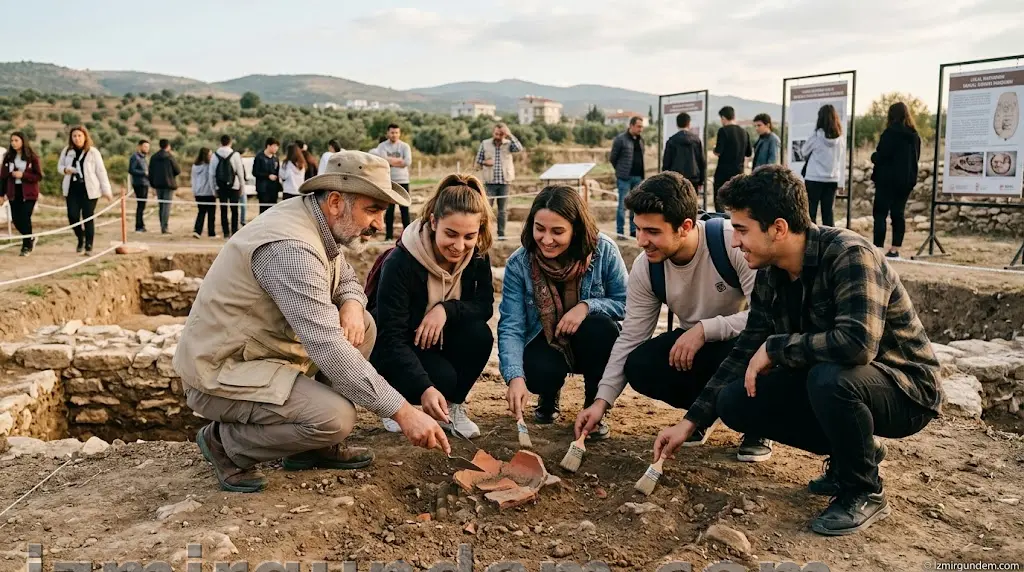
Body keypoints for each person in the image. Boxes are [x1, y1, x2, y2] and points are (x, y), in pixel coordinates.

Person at [652, 165, 941, 536]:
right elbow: (745, 349)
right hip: (843, 383)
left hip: (906, 390)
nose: (735, 242)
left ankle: (863, 489)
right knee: (735, 401)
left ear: (778, 228)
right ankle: (855, 452)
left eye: (742, 230)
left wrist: (776, 347)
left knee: (829, 377)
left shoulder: (850, 255)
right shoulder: (771, 271)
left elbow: (857, 345)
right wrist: (689, 423)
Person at [174, 150, 450, 493]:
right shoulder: (292, 248)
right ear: (335, 202)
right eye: (373, 210)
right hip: (221, 370)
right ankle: (225, 443)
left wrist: (351, 302)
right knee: (335, 418)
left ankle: (310, 447)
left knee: (362, 325)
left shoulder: (316, 220)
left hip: (263, 355)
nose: (379, 224)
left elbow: (344, 276)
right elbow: (329, 349)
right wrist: (403, 412)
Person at [574, 172, 768, 459]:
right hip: (693, 345)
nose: (641, 241)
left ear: (685, 226)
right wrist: (601, 403)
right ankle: (701, 414)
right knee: (639, 364)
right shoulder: (646, 267)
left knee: (755, 350)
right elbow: (630, 337)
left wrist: (705, 329)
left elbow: (766, 319)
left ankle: (756, 424)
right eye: (638, 229)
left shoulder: (733, 243)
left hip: (742, 342)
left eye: (653, 232)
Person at [370, 174, 496, 438]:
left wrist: (445, 310)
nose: (459, 246)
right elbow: (390, 336)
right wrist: (425, 388)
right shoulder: (400, 262)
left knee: (480, 335)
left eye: (469, 236)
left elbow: (484, 306)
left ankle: (452, 407)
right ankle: (395, 404)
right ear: (434, 222)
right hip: (396, 346)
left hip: (436, 341)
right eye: (451, 234)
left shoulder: (478, 255)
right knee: (441, 380)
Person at [499, 186, 628, 436]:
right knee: (537, 373)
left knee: (602, 329)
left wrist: (586, 306)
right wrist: (515, 377)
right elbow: (511, 326)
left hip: (589, 341)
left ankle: (593, 406)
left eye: (557, 232)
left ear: (576, 229)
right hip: (547, 341)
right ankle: (548, 394)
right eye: (540, 229)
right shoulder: (519, 263)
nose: (547, 240)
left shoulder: (604, 250)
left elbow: (625, 303)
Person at [871, 102, 921, 258]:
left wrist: (873, 157)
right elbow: (916, 158)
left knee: (880, 214)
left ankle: (878, 248)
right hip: (905, 181)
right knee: (898, 214)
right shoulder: (914, 136)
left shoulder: (889, 133)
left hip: (886, 180)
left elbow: (881, 156)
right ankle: (895, 249)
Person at [57, 126, 112, 255]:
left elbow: (101, 171)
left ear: (85, 137)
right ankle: (80, 237)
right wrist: (65, 170)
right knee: (72, 216)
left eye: (79, 136)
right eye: (74, 136)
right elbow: (59, 166)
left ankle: (89, 245)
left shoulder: (93, 152)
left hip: (90, 189)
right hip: (72, 188)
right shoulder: (67, 151)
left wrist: (106, 190)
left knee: (88, 216)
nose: (77, 138)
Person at [475, 123, 522, 240]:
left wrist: (509, 134)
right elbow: (477, 162)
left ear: (504, 134)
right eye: (496, 133)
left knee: (502, 211)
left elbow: (519, 148)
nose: (498, 136)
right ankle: (485, 235)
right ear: (493, 132)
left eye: (501, 134)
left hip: (504, 183)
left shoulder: (509, 144)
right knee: (486, 210)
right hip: (489, 183)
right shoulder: (485, 144)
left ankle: (501, 234)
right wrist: (485, 162)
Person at [801, 104, 846, 226]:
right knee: (828, 213)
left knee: (811, 212)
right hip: (832, 179)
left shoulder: (816, 136)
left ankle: (812, 236)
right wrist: (841, 182)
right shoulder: (840, 139)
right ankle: (829, 236)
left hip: (814, 178)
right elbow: (841, 160)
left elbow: (804, 151)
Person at [1, 132, 43, 256]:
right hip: (13, 192)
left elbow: (38, 176)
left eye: (16, 140)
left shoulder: (32, 157)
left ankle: (26, 246)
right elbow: (3, 177)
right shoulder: (8, 157)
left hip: (29, 193)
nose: (13, 143)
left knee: (25, 218)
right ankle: (31, 238)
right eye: (12, 140)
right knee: (16, 220)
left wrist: (23, 175)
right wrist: (1, 194)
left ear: (23, 141)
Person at [373, 124, 413, 240]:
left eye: (396, 132)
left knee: (404, 209)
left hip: (403, 180)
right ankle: (388, 236)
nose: (394, 135)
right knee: (389, 210)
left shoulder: (405, 146)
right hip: (388, 181)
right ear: (387, 133)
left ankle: (407, 237)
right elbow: (382, 161)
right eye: (392, 132)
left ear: (399, 133)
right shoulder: (382, 146)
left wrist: (390, 161)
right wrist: (399, 161)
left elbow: (407, 162)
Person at [609, 117, 646, 238]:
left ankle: (633, 231)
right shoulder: (620, 139)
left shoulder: (641, 140)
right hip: (624, 178)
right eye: (639, 126)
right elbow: (613, 158)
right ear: (631, 126)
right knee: (622, 206)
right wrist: (620, 171)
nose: (641, 129)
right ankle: (620, 232)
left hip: (638, 177)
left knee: (635, 206)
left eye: (642, 126)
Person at [712, 106, 752, 212]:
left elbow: (718, 151)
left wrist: (714, 149)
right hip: (738, 172)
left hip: (723, 172)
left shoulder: (723, 131)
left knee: (719, 199)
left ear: (723, 118)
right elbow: (748, 153)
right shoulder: (744, 132)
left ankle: (720, 218)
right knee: (736, 201)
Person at [210, 135, 247, 238]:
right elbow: (240, 172)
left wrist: (214, 189)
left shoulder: (215, 155)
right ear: (230, 142)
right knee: (234, 210)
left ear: (221, 142)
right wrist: (242, 187)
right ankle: (234, 232)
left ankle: (225, 232)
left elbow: (211, 174)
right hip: (234, 186)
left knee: (223, 210)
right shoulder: (235, 155)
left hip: (221, 187)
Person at [662, 112, 707, 193]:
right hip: (693, 179)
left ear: (677, 124)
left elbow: (666, 163)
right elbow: (702, 162)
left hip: (675, 180)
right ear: (689, 124)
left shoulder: (671, 140)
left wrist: (666, 181)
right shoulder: (696, 140)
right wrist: (701, 181)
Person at [148, 139, 181, 235]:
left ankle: (162, 226)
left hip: (158, 184)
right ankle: (164, 227)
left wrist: (152, 185)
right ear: (168, 146)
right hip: (168, 184)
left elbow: (150, 172)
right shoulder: (170, 157)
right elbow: (177, 170)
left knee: (161, 205)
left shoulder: (154, 157)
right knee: (166, 206)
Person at [191, 148, 216, 238]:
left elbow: (193, 179)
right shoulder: (209, 166)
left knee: (201, 212)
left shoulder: (195, 166)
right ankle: (211, 232)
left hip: (199, 193)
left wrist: (194, 191)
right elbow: (211, 179)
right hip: (209, 192)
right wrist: (215, 191)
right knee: (211, 213)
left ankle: (197, 231)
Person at [252, 137, 281, 213]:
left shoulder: (275, 159)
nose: (276, 148)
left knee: (273, 210)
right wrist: (267, 176)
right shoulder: (259, 157)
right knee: (263, 210)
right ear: (268, 146)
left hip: (274, 189)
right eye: (274, 146)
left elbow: (278, 172)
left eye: (277, 146)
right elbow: (255, 172)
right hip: (263, 189)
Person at [128, 140, 150, 232]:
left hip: (145, 183)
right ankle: (138, 226)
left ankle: (141, 225)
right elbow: (131, 170)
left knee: (143, 205)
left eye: (148, 147)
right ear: (140, 146)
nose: (147, 149)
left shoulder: (144, 158)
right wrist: (144, 173)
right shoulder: (135, 157)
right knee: (140, 205)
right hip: (139, 183)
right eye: (145, 146)